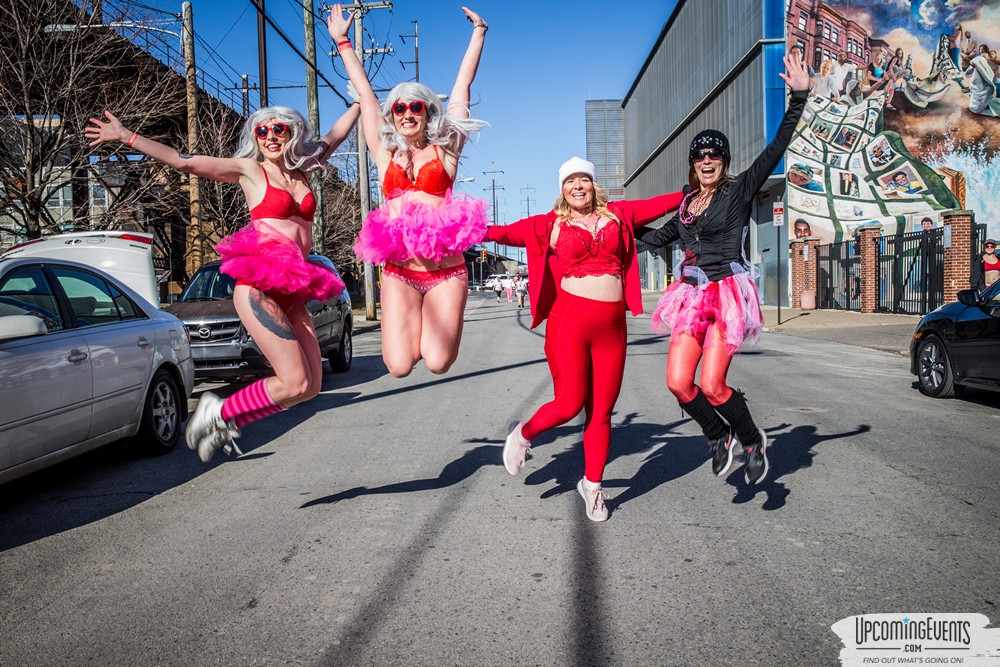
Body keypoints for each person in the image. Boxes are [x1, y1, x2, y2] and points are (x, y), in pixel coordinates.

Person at [86, 103, 361, 462]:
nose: (271, 137)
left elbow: (336, 135)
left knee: (310, 387)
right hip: (261, 288)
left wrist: (359, 101)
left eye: (278, 129)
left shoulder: (304, 167)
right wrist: (127, 137)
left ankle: (223, 418)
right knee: (293, 381)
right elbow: (183, 161)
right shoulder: (249, 170)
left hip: (293, 290)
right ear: (255, 139)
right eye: (262, 132)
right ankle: (219, 413)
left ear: (292, 132)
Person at [636, 51, 810, 486]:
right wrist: (616, 225)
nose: (707, 161)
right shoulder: (687, 206)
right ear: (693, 165)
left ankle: (751, 441)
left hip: (727, 293)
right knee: (679, 383)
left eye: (715, 155)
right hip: (692, 298)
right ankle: (717, 434)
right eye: (700, 157)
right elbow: (656, 239)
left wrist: (799, 99)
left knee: (713, 385)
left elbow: (776, 149)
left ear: (725, 160)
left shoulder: (738, 190)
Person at [492, 157, 682, 522]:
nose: (577, 187)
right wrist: (451, 229)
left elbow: (660, 204)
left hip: (612, 329)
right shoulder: (549, 224)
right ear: (562, 189)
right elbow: (500, 233)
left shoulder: (618, 216)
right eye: (570, 182)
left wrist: (694, 191)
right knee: (569, 403)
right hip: (570, 322)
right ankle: (524, 434)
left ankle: (592, 486)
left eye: (584, 180)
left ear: (594, 185)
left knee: (601, 412)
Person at [327, 4, 489, 377]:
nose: (407, 113)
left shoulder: (445, 148)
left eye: (415, 106)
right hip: (400, 270)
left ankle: (433, 332)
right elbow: (367, 98)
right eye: (399, 107)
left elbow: (461, 89)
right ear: (393, 114)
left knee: (437, 361)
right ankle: (412, 328)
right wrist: (342, 41)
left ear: (428, 111)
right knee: (398, 366)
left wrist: (478, 33)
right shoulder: (385, 155)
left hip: (445, 273)